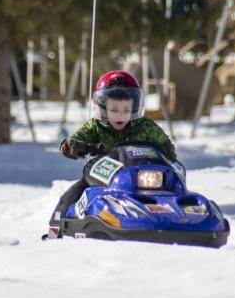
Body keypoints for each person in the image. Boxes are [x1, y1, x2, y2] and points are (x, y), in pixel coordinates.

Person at [49, 70, 176, 227]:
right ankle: (60, 225)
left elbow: (167, 148)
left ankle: (179, 217)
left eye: (126, 110)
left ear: (135, 108)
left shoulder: (146, 127)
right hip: (101, 176)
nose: (120, 116)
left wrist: (163, 152)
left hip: (140, 177)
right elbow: (76, 139)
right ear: (102, 108)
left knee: (171, 186)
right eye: (114, 110)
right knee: (74, 193)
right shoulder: (95, 126)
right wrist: (72, 146)